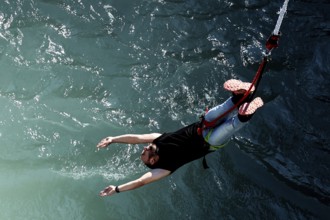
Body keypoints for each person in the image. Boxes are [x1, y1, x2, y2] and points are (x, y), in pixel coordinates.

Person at [96, 79, 264, 196]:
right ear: (153, 161)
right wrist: (117, 189)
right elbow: (141, 181)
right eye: (145, 153)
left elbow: (137, 137)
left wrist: (113, 139)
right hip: (209, 142)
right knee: (231, 125)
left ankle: (241, 94)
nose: (144, 148)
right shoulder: (165, 168)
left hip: (203, 126)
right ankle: (245, 114)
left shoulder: (158, 139)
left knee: (217, 112)